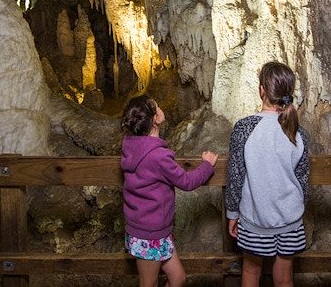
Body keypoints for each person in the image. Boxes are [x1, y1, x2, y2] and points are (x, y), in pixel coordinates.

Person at [225, 61, 309, 287]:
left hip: (255, 219)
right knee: (284, 279)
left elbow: (235, 176)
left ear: (262, 90)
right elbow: (302, 181)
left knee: (251, 274)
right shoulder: (298, 131)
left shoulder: (244, 128)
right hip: (290, 219)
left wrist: (232, 214)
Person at [121, 95, 218, 287]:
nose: (160, 107)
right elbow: (186, 181)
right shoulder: (158, 156)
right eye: (158, 105)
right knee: (148, 283)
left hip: (156, 230)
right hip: (149, 232)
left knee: (178, 278)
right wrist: (207, 166)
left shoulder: (132, 148)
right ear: (155, 118)